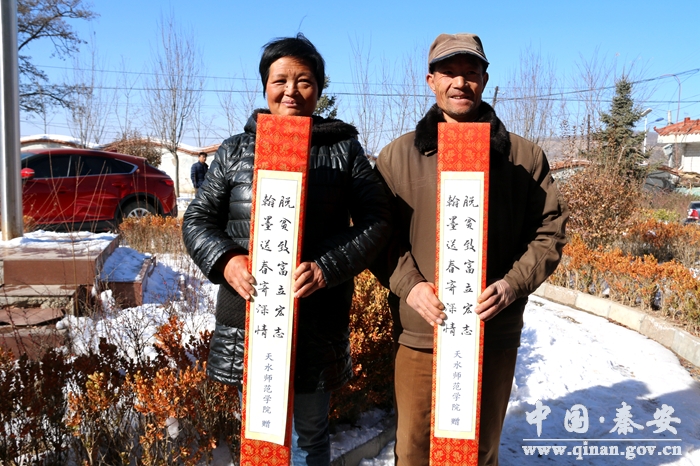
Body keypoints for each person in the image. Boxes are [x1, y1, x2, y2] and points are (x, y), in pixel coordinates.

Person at [182, 33, 391, 466]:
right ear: (265, 86)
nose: (291, 91)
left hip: (315, 320)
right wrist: (226, 259)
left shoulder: (343, 151)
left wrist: (327, 266)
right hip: (250, 315)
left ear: (319, 88)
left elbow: (377, 220)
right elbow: (197, 220)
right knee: (260, 432)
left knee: (310, 435)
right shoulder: (236, 150)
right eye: (280, 80)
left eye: (304, 81)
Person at [373, 33, 568, 466]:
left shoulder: (523, 158)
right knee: (414, 448)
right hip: (422, 332)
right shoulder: (397, 157)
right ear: (430, 80)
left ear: (484, 79)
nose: (460, 82)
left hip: (492, 331)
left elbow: (550, 230)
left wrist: (512, 284)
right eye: (448, 72)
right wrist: (410, 285)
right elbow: (379, 234)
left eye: (470, 72)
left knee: (479, 449)